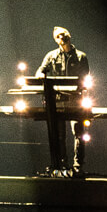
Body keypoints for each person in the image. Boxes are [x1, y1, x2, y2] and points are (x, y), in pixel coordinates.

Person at [36, 27, 90, 175]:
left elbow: (86, 77)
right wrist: (41, 74)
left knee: (79, 134)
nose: (62, 37)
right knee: (59, 135)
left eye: (64, 34)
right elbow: (40, 70)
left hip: (76, 101)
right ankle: (62, 165)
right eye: (58, 36)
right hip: (58, 101)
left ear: (69, 35)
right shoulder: (51, 56)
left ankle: (78, 165)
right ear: (55, 40)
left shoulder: (80, 57)